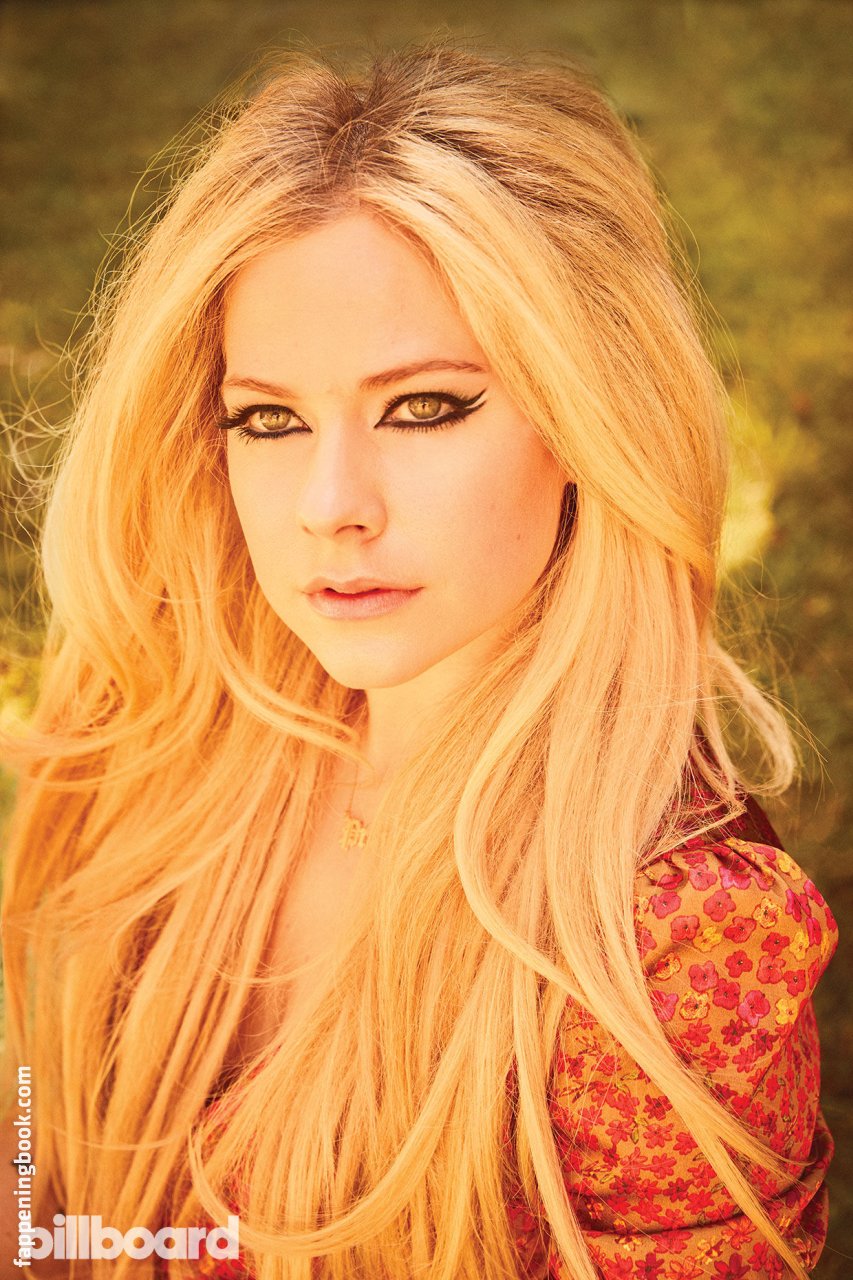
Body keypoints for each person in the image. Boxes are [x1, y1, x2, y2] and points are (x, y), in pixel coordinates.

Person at [0, 42, 838, 1280]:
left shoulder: (669, 938)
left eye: (425, 407)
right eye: (268, 419)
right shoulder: (162, 736)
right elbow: (44, 1181)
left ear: (585, 417)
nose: (329, 504)